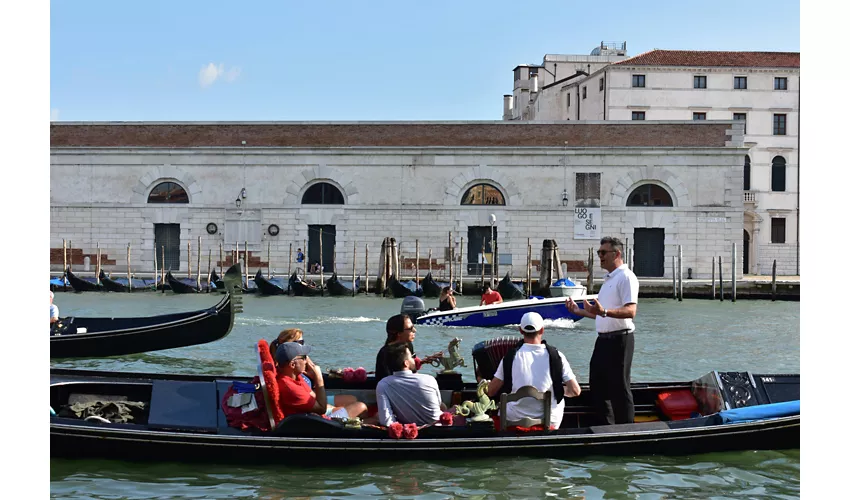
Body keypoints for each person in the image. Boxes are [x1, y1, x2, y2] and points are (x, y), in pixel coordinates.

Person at [566, 236, 639, 425]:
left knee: (620, 387)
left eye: (603, 253)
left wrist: (604, 311)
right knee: (597, 385)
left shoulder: (626, 277)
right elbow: (602, 315)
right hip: (603, 341)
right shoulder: (608, 280)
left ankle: (627, 430)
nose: (600, 256)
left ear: (617, 254)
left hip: (620, 340)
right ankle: (607, 426)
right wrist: (580, 311)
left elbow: (631, 311)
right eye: (599, 253)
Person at [486, 312, 581, 430]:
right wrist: (556, 389)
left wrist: (481, 380)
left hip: (513, 422)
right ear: (542, 330)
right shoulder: (557, 356)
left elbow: (491, 392)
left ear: (521, 331)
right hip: (550, 423)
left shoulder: (509, 357)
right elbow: (576, 391)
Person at [276, 341, 367, 420]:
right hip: (315, 422)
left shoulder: (295, 377)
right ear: (292, 365)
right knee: (361, 407)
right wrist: (319, 379)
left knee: (353, 402)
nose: (306, 361)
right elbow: (321, 409)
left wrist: (333, 408)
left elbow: (314, 398)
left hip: (314, 415)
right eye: (303, 358)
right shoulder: (290, 388)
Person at [270, 328, 358, 409]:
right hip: (311, 404)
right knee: (359, 407)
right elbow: (320, 407)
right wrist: (318, 379)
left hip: (312, 398)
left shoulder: (292, 368)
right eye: (301, 342)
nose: (304, 345)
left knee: (352, 400)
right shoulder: (292, 373)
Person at [375, 343, 445, 426]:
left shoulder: (383, 384)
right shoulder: (429, 379)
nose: (414, 359)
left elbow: (386, 421)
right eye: (412, 357)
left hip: (407, 431)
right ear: (406, 363)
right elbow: (438, 404)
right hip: (438, 428)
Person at [375, 314, 441, 382]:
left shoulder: (408, 345)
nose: (415, 330)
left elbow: (411, 367)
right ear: (399, 333)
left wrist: (423, 361)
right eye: (410, 328)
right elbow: (384, 381)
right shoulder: (385, 354)